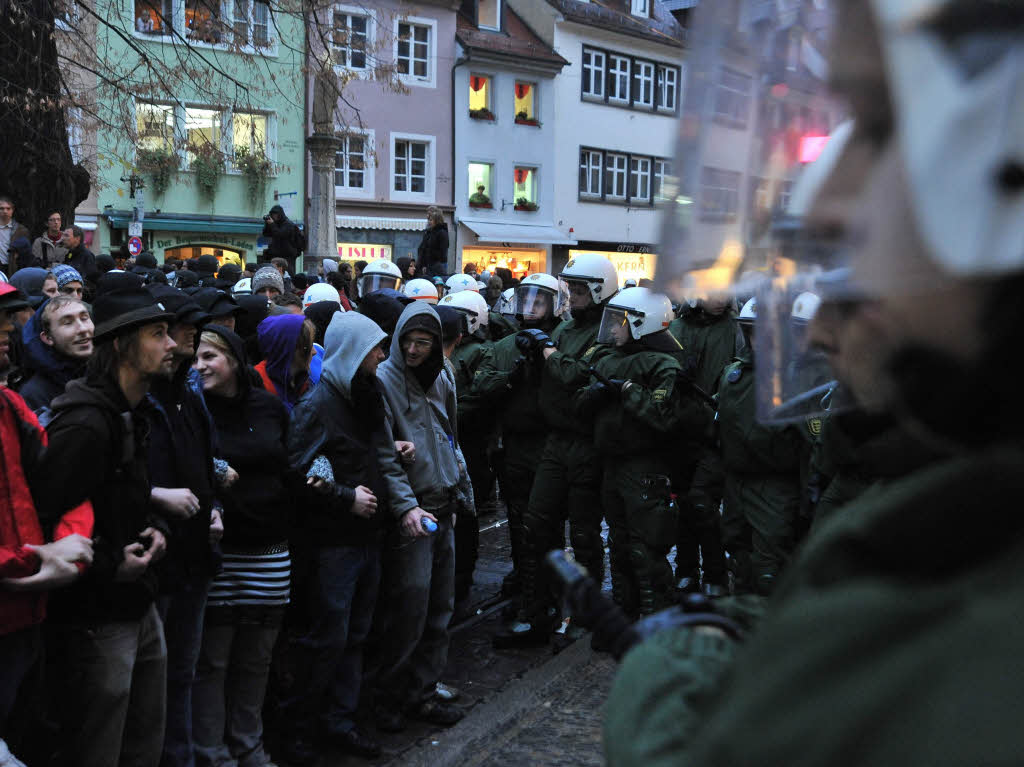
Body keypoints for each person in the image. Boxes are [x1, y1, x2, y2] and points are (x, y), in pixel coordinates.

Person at [31, 285, 175, 767]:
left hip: (137, 603)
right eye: (158, 334)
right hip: (96, 618)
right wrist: (112, 564)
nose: (172, 344)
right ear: (122, 346)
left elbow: (127, 497)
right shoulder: (85, 426)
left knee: (143, 742)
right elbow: (44, 520)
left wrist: (156, 526)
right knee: (97, 748)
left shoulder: (129, 411)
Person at [280, 312, 391, 763]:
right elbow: (296, 470)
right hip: (334, 543)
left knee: (356, 636)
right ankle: (298, 730)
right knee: (328, 638)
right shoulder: (319, 404)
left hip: (367, 536)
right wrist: (346, 497)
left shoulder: (367, 393)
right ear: (353, 353)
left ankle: (339, 723)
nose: (382, 357)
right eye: (374, 350)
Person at [190, 325, 299, 767]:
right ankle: (213, 752)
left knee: (257, 659)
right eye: (196, 357)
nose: (200, 366)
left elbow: (291, 461)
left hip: (269, 550)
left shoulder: (268, 407)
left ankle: (248, 744)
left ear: (233, 360)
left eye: (209, 357)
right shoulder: (193, 410)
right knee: (213, 662)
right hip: (220, 552)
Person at [0, 283, 95, 767]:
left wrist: (68, 544)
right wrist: (35, 558)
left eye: (8, 317)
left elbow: (66, 482)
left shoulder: (11, 406)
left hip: (26, 616)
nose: (6, 331)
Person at [503, 254, 620, 645]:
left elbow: (574, 374)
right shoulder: (568, 330)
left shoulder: (608, 332)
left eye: (581, 290)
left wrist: (547, 350)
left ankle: (586, 612)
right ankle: (539, 608)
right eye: (571, 289)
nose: (574, 296)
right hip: (555, 440)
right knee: (536, 526)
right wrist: (532, 355)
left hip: (585, 442)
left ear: (600, 291)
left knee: (585, 534)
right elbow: (550, 378)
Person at [580, 288, 712, 616]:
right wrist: (592, 395)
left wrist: (628, 389)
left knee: (646, 550)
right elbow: (577, 402)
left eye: (619, 322)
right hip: (612, 463)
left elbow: (662, 416)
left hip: (644, 467)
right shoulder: (606, 356)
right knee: (619, 546)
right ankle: (625, 614)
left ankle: (658, 622)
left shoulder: (663, 364)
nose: (611, 329)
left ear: (641, 324)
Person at [370, 302, 464, 731]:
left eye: (422, 342)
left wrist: (461, 488)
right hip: (413, 509)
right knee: (407, 609)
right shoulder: (385, 380)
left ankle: (423, 693)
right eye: (407, 340)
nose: (412, 349)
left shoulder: (443, 374)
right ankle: (388, 697)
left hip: (444, 502)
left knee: (439, 610)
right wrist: (406, 505)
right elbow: (384, 454)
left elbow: (451, 435)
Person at [142, 285, 223, 767]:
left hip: (194, 554)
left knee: (184, 672)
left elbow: (199, 457)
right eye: (180, 328)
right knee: (156, 676)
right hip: (160, 556)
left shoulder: (186, 393)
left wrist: (211, 504)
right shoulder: (145, 396)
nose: (190, 336)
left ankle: (181, 756)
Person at [475, 273, 561, 611]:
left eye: (539, 301)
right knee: (517, 514)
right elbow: (484, 384)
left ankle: (548, 583)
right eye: (526, 299)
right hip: (514, 443)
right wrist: (509, 379)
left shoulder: (558, 342)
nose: (531, 307)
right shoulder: (506, 345)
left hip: (547, 441)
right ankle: (524, 577)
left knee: (546, 518)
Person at [669, 294, 741, 595]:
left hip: (715, 429)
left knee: (702, 502)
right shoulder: (678, 326)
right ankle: (686, 569)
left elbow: (743, 368)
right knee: (684, 502)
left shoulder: (734, 328)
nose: (720, 298)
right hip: (680, 429)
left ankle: (715, 574)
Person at [438, 290, 493, 601]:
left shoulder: (480, 352)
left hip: (468, 441)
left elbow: (481, 397)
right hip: (448, 439)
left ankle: (462, 578)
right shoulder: (438, 351)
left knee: (466, 514)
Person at [17, 295, 94, 416]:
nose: (82, 329)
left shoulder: (106, 373)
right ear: (48, 337)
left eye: (84, 318)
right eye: (68, 323)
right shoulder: (34, 395)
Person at [254, 313, 315, 412]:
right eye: (307, 347)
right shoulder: (258, 388)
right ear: (287, 349)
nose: (314, 352)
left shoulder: (302, 381)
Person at [262, 206, 303, 274]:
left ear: (280, 214)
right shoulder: (275, 224)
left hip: (287, 255)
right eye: (272, 215)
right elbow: (266, 234)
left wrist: (272, 224)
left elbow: (280, 234)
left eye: (276, 214)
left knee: (287, 274)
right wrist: (267, 224)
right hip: (276, 255)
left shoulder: (288, 224)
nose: (274, 216)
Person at [416, 207, 449, 279]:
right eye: (428, 219)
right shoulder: (429, 232)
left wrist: (427, 263)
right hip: (429, 266)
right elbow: (424, 249)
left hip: (435, 267)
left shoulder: (441, 232)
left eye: (430, 220)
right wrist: (423, 264)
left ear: (437, 220)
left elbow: (442, 253)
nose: (429, 221)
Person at [0, 196, 20, 273]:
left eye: (8, 209)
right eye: (1, 208)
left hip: (12, 268)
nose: (5, 211)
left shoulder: (20, 230)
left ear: (12, 210)